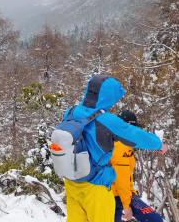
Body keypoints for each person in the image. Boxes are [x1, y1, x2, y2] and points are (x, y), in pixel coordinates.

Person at [64, 75, 168, 222]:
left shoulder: (71, 112)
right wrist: (159, 144)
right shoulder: (105, 120)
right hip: (96, 186)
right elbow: (134, 134)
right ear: (108, 96)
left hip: (72, 183)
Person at [111, 110, 164, 222]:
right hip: (115, 196)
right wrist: (126, 205)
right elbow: (121, 178)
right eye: (133, 128)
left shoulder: (119, 143)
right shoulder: (121, 146)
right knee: (155, 220)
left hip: (120, 194)